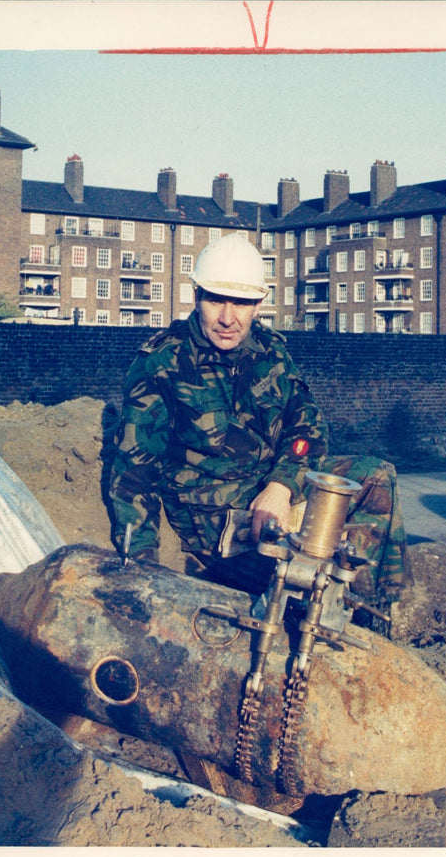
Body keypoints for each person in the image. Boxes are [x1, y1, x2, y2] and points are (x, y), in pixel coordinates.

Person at [108, 234, 411, 604]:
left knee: (377, 477)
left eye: (241, 303)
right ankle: (332, 601)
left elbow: (308, 429)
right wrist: (142, 571)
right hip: (218, 526)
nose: (227, 318)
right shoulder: (162, 362)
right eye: (216, 300)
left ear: (259, 304)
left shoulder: (270, 351)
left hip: (273, 495)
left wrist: (282, 486)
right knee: (309, 574)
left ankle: (380, 610)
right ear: (197, 296)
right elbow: (134, 474)